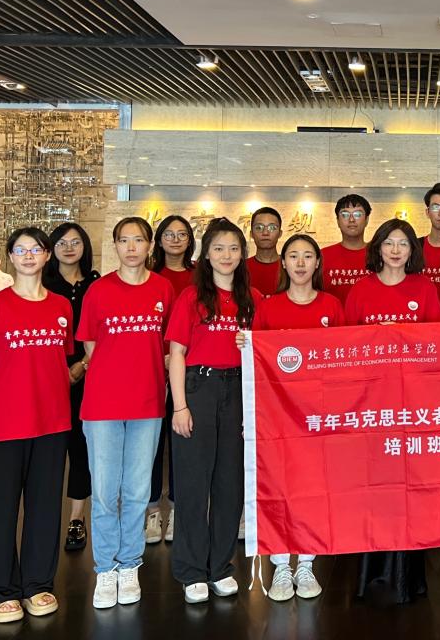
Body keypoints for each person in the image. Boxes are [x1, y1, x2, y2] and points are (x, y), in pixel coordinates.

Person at [0, 227, 72, 624]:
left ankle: (37, 584)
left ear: (46, 256)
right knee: (3, 508)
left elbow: (62, 358)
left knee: (45, 507)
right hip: (6, 425)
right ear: (11, 256)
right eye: (20, 249)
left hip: (52, 422)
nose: (28, 256)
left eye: (36, 249)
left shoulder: (61, 306)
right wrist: (4, 389)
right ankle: (1, 589)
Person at [77, 217, 175, 609]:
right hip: (102, 405)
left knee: (136, 490)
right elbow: (89, 344)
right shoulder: (99, 290)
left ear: (150, 245)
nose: (131, 247)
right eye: (124, 240)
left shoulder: (163, 288)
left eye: (138, 240)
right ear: (115, 245)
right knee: (105, 491)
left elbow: (169, 344)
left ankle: (129, 563)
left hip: (147, 404)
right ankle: (105, 568)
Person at [346, 219, 440, 604]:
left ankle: (408, 575)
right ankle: (372, 573)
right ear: (378, 248)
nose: (396, 250)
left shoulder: (424, 288)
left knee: (410, 487)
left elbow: (439, 343)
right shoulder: (361, 290)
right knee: (374, 486)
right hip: (372, 406)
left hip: (412, 405)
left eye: (403, 243)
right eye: (389, 242)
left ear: (412, 250)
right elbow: (344, 346)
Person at [245, 233, 345, 602]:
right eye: (293, 256)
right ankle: (280, 565)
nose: (300, 263)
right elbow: (256, 363)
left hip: (319, 416)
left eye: (307, 256)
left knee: (314, 489)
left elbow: (345, 360)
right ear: (283, 263)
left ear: (318, 263)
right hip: (278, 417)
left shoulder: (332, 306)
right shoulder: (269, 307)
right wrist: (245, 345)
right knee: (279, 488)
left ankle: (306, 563)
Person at [166, 218, 261, 604]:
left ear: (242, 254)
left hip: (238, 391)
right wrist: (180, 406)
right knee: (193, 484)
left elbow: (265, 352)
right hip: (198, 388)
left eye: (234, 248)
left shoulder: (252, 298)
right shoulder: (192, 297)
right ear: (206, 254)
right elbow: (176, 353)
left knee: (229, 483)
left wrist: (250, 344)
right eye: (219, 248)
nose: (226, 255)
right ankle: (191, 570)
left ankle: (220, 566)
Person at [42, 222, 101, 553]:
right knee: (50, 449)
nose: (68, 248)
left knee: (80, 447)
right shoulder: (43, 283)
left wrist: (82, 365)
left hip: (87, 376)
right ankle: (46, 517)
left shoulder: (96, 284)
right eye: (61, 242)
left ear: (85, 247)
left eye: (75, 242)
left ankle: (77, 518)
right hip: (47, 378)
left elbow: (102, 331)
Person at [147, 215, 197, 546]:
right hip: (150, 370)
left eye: (182, 234)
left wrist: (178, 359)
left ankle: (179, 508)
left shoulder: (200, 276)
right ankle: (152, 510)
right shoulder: (149, 275)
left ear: (190, 240)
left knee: (183, 442)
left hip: (189, 370)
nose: (175, 239)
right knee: (151, 444)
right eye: (169, 234)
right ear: (159, 240)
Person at [321, 193, 373, 303]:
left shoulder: (379, 254)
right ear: (337, 221)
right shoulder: (322, 256)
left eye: (358, 214)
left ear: (367, 220)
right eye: (345, 214)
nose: (351, 219)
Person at [246, 206, 283, 297]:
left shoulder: (290, 266)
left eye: (272, 227)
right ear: (251, 234)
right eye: (259, 227)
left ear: (280, 233)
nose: (265, 233)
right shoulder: (240, 268)